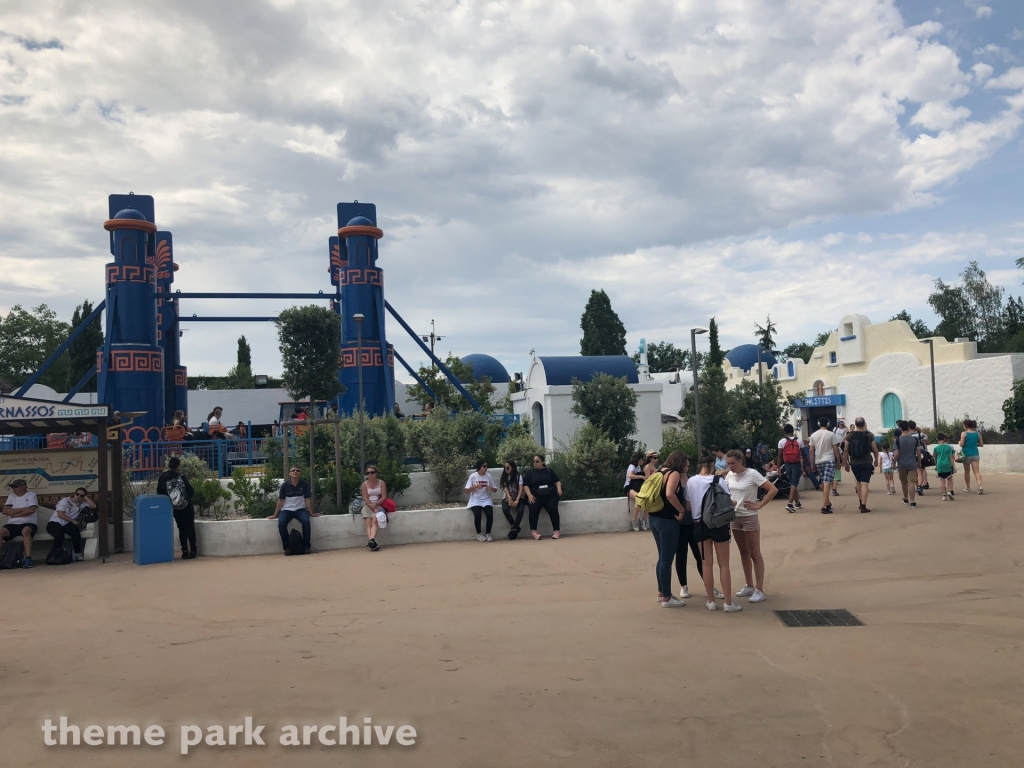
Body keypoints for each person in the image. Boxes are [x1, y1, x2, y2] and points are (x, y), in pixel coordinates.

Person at [687, 450, 742, 612]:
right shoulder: (719, 480)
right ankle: (728, 603)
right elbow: (728, 502)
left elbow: (689, 506)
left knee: (706, 564)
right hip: (719, 524)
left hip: (699, 524)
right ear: (712, 465)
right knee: (724, 564)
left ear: (699, 465)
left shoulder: (691, 482)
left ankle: (710, 601)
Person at [725, 449, 776, 603]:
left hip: (749, 517)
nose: (730, 466)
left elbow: (773, 489)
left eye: (733, 463)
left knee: (754, 553)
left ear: (741, 461)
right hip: (735, 517)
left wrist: (759, 505)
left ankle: (759, 589)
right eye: (728, 463)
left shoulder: (752, 473)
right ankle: (749, 585)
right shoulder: (729, 475)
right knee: (743, 552)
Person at [650, 452, 687, 608]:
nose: (687, 467)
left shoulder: (659, 471)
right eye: (686, 464)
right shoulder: (674, 474)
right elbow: (670, 494)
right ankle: (667, 597)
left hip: (654, 518)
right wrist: (681, 510)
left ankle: (661, 592)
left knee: (662, 557)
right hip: (667, 520)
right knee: (667, 558)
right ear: (679, 463)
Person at [267, 466, 319, 555]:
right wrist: (275, 515)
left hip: (300, 510)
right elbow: (281, 501)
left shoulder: (305, 484)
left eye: (298, 471)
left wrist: (311, 513)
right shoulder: (285, 486)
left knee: (306, 521)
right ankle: (287, 548)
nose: (295, 472)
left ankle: (306, 547)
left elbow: (308, 499)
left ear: (300, 473)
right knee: (281, 523)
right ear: (290, 473)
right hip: (287, 510)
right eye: (293, 470)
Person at [158, 456, 198, 559]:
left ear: (168, 465)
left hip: (175, 508)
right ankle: (193, 550)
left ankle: (184, 551)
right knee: (190, 528)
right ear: (178, 466)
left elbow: (159, 492)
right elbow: (191, 491)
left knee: (181, 529)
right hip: (186, 506)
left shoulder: (163, 477)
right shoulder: (181, 476)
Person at [842, 417, 879, 513]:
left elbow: (846, 449)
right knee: (865, 484)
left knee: (858, 482)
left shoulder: (849, 435)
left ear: (855, 424)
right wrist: (876, 460)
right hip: (866, 462)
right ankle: (863, 505)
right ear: (864, 424)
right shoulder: (869, 435)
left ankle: (860, 502)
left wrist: (845, 462)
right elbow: (875, 449)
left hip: (854, 463)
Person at [46, 488, 94, 562]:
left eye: (81, 495)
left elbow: (93, 506)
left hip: (67, 523)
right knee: (59, 535)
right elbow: (60, 514)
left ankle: (77, 553)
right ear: (74, 494)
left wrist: (86, 498)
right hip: (55, 522)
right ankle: (56, 554)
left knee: (76, 533)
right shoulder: (65, 500)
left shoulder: (82, 504)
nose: (78, 496)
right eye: (77, 494)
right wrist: (73, 521)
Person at [524, 454, 562, 540]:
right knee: (533, 509)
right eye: (534, 462)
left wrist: (559, 489)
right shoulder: (530, 473)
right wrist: (529, 495)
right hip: (536, 495)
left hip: (549, 495)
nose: (535, 463)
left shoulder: (549, 471)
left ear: (543, 462)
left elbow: (557, 481)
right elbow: (525, 485)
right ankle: (534, 532)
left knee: (553, 509)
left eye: (537, 461)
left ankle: (556, 531)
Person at [2, 479, 38, 568]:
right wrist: (21, 510)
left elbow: (31, 510)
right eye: (12, 486)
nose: (13, 488)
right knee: (0, 531)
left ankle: (28, 559)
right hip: (12, 524)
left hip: (28, 523)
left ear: (24, 487)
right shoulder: (11, 496)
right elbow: (5, 511)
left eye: (16, 486)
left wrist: (14, 513)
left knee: (26, 531)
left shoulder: (31, 495)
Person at [808, 416, 841, 513]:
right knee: (827, 482)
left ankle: (827, 502)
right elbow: (836, 449)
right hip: (829, 460)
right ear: (828, 424)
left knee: (824, 481)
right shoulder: (831, 434)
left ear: (818, 424)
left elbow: (811, 450)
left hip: (818, 460)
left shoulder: (813, 435)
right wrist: (838, 462)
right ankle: (824, 505)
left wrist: (812, 463)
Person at [465, 460, 498, 542]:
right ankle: (479, 534)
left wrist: (490, 488)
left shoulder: (488, 476)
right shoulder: (473, 476)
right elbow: (466, 491)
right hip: (475, 500)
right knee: (477, 514)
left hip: (486, 499)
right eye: (484, 466)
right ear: (479, 467)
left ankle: (488, 533)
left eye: (487, 466)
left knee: (489, 514)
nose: (486, 468)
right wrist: (475, 486)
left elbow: (495, 489)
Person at [358, 465, 388, 551]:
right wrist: (372, 506)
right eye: (368, 473)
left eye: (372, 472)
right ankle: (372, 542)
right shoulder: (364, 484)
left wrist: (376, 504)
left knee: (375, 520)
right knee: (369, 523)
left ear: (376, 473)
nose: (370, 474)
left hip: (378, 504)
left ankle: (371, 541)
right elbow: (365, 497)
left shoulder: (381, 483)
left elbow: (384, 496)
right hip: (367, 505)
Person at [893, 421, 922, 507]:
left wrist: (894, 463)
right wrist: (919, 462)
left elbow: (896, 454)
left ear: (900, 428)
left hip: (902, 464)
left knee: (904, 482)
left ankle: (906, 498)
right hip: (912, 463)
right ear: (908, 428)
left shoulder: (897, 440)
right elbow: (919, 453)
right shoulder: (914, 439)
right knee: (912, 482)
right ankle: (913, 501)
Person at [778, 424, 804, 513]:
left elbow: (779, 456)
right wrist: (807, 465)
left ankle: (797, 503)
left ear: (784, 432)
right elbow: (804, 454)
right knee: (794, 483)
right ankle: (789, 503)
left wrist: (778, 468)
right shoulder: (799, 441)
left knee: (792, 483)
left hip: (787, 464)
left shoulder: (781, 441)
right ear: (793, 431)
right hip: (796, 464)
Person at [500, 460, 526, 539]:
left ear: (512, 467)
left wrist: (517, 500)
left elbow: (521, 488)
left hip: (518, 496)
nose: (506, 469)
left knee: (520, 510)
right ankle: (514, 526)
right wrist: (510, 498)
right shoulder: (504, 476)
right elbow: (505, 488)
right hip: (508, 496)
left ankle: (514, 529)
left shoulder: (518, 476)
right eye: (505, 467)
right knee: (505, 509)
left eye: (508, 467)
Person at [959, 419, 984, 494]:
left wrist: (959, 442)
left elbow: (962, 444)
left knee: (967, 471)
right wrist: (974, 444)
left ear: (966, 425)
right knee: (976, 471)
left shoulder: (964, 433)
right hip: (975, 453)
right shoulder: (978, 434)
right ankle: (980, 486)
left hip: (966, 454)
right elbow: (981, 444)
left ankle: (968, 486)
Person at [624, 451, 646, 532]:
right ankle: (634, 520)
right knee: (638, 498)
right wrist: (641, 476)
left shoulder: (639, 467)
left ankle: (644, 519)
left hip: (636, 487)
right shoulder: (632, 466)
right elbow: (630, 475)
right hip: (628, 487)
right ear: (639, 459)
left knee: (646, 498)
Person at [933, 433, 957, 501]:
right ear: (944, 439)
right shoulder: (948, 447)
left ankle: (944, 495)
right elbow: (951, 457)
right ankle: (949, 491)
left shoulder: (936, 448)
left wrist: (936, 465)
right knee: (950, 479)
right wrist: (954, 466)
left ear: (937, 439)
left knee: (942, 481)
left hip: (940, 465)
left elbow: (935, 457)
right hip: (947, 465)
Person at [908, 420, 929, 495]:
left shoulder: (907, 436)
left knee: (915, 471)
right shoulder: (921, 434)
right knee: (921, 470)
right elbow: (927, 442)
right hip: (922, 453)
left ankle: (917, 485)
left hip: (912, 454)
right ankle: (920, 485)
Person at [832, 419, 847, 496]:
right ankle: (834, 489)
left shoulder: (829, 447)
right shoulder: (837, 448)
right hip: (835, 461)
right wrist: (841, 462)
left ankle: (829, 489)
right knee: (836, 475)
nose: (841, 425)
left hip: (829, 461)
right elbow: (840, 454)